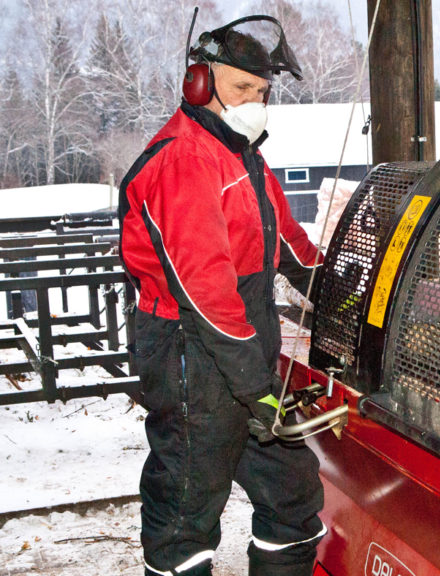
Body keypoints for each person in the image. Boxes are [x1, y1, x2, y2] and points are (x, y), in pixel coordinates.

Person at [118, 15, 325, 576]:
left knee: (292, 496)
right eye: (241, 88)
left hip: (241, 344)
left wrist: (330, 289)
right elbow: (205, 291)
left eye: (261, 91)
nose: (254, 101)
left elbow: (284, 237)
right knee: (187, 512)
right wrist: (257, 388)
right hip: (192, 354)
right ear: (200, 85)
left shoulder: (241, 155)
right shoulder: (184, 162)